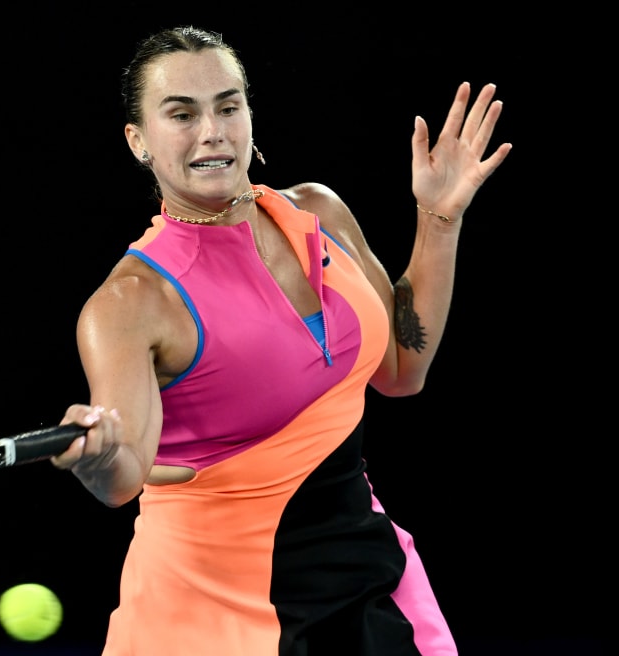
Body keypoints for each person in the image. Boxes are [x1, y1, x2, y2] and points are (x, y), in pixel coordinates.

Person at [50, 25, 511, 656]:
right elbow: (125, 472)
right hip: (217, 612)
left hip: (368, 576)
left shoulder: (318, 212)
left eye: (228, 105)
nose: (212, 130)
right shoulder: (130, 305)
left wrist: (440, 217)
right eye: (181, 113)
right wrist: (99, 457)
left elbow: (404, 368)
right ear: (138, 141)